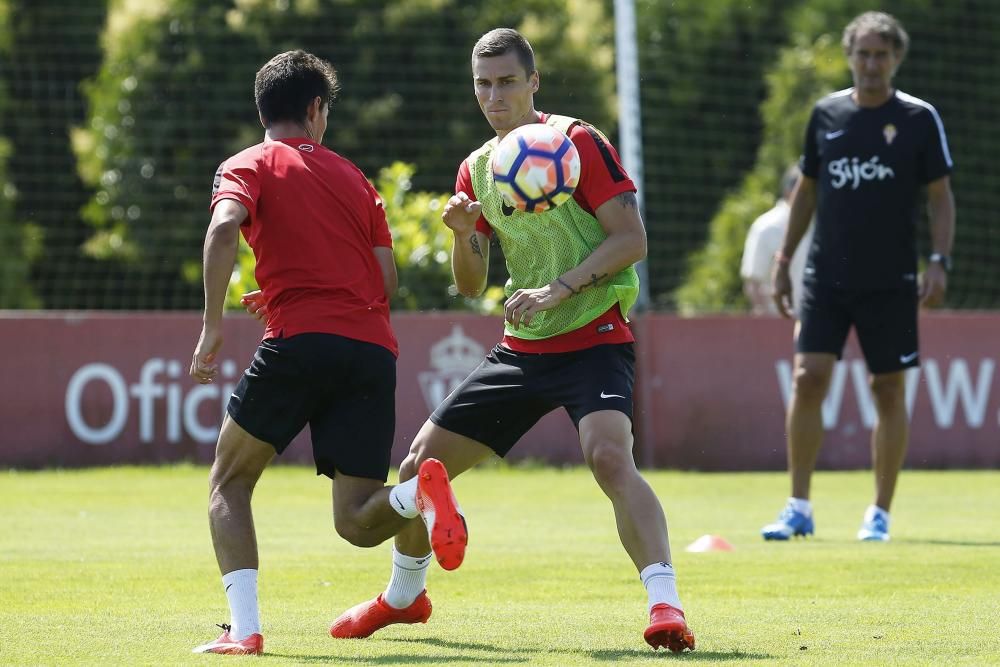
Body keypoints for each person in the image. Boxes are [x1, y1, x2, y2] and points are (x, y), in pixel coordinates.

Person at [329, 28, 695, 652]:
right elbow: (470, 283)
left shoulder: (577, 141)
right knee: (421, 468)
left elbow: (631, 240)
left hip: (595, 334)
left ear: (533, 83)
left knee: (609, 457)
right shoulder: (477, 170)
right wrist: (463, 232)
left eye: (506, 82)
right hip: (522, 348)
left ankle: (666, 605)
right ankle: (405, 597)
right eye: (483, 84)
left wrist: (561, 288)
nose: (494, 96)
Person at [188, 49, 466, 655]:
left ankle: (246, 628)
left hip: (297, 344)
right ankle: (417, 494)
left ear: (266, 109)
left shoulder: (248, 163)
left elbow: (222, 227)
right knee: (357, 520)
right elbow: (384, 284)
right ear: (316, 110)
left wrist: (212, 326)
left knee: (229, 482)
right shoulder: (356, 179)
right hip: (370, 351)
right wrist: (299, 283)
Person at [762, 12, 955, 542]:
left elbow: (941, 197)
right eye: (863, 54)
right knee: (807, 380)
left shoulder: (919, 119)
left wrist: (939, 261)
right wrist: (783, 262)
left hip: (891, 279)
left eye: (882, 54)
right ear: (850, 56)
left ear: (896, 59)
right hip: (827, 277)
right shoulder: (826, 114)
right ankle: (798, 506)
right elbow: (806, 190)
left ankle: (879, 514)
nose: (872, 64)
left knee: (887, 389)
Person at [740, 165, 812, 316]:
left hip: (813, 322)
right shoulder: (766, 226)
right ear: (790, 190)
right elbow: (753, 282)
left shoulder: (820, 223)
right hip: (778, 319)